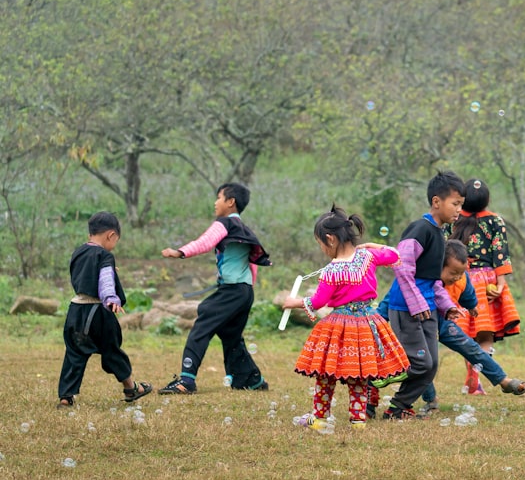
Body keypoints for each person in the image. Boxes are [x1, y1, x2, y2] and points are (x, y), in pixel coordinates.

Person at [283, 206, 409, 428]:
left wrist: (296, 302)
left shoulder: (331, 271)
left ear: (330, 239)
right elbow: (394, 255)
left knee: (325, 373)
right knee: (359, 374)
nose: (322, 249)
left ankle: (319, 418)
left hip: (339, 326)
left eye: (320, 243)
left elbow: (318, 302)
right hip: (367, 322)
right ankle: (358, 420)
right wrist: (372, 245)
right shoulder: (368, 256)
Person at [380, 239, 525, 415]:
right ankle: (430, 399)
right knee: (424, 361)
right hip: (418, 322)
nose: (458, 277)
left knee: (470, 347)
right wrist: (378, 319)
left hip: (443, 323)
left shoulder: (461, 277)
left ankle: (503, 380)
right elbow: (392, 298)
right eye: (453, 273)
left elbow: (468, 293)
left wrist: (472, 306)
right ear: (437, 265)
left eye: (461, 272)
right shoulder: (419, 277)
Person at [159, 182, 271, 394]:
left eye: (219, 197)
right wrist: (247, 290)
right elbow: (253, 263)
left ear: (231, 202)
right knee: (231, 335)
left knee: (203, 323)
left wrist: (180, 252)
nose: (215, 202)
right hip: (245, 291)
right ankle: (252, 380)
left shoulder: (224, 223)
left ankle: (186, 380)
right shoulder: (245, 229)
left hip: (233, 290)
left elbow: (205, 242)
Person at [376, 171, 466, 420]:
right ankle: (374, 381)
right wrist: (416, 304)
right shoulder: (420, 230)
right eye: (455, 204)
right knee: (420, 363)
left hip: (427, 309)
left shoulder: (440, 234)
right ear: (437, 201)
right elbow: (402, 268)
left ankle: (397, 408)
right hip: (406, 308)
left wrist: (447, 306)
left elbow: (434, 280)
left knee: (431, 366)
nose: (459, 210)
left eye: (461, 205)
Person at [57, 212, 153, 408]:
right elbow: (106, 282)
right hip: (97, 312)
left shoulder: (78, 252)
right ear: (111, 235)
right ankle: (131, 388)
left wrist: (107, 269)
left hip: (76, 310)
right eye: (116, 240)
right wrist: (111, 298)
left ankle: (66, 397)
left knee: (74, 354)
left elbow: (86, 274)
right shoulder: (105, 255)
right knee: (111, 350)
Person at [449, 179, 521, 394]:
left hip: (461, 279)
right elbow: (501, 253)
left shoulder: (453, 219)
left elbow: (446, 250)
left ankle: (472, 376)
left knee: (466, 334)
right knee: (485, 333)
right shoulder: (495, 220)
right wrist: (501, 283)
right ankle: (477, 374)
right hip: (487, 280)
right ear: (486, 200)